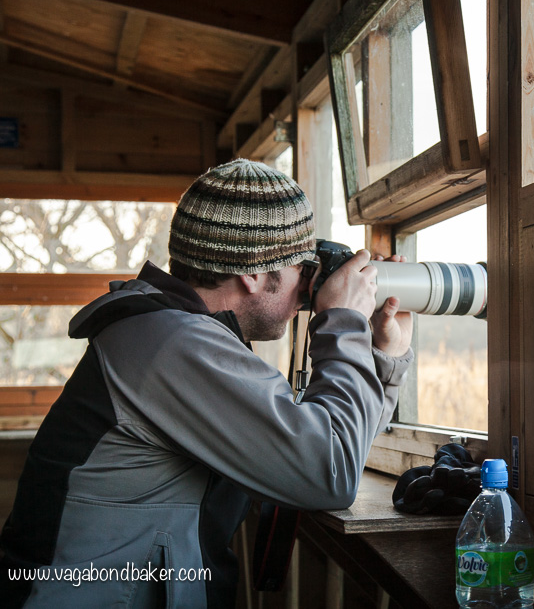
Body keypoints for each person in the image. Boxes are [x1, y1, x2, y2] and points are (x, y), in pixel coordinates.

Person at [0, 159, 413, 608]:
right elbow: (328, 472)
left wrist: (381, 356)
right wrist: (345, 320)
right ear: (253, 273)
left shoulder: (173, 333)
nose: (307, 290)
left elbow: (332, 446)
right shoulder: (172, 343)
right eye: (301, 267)